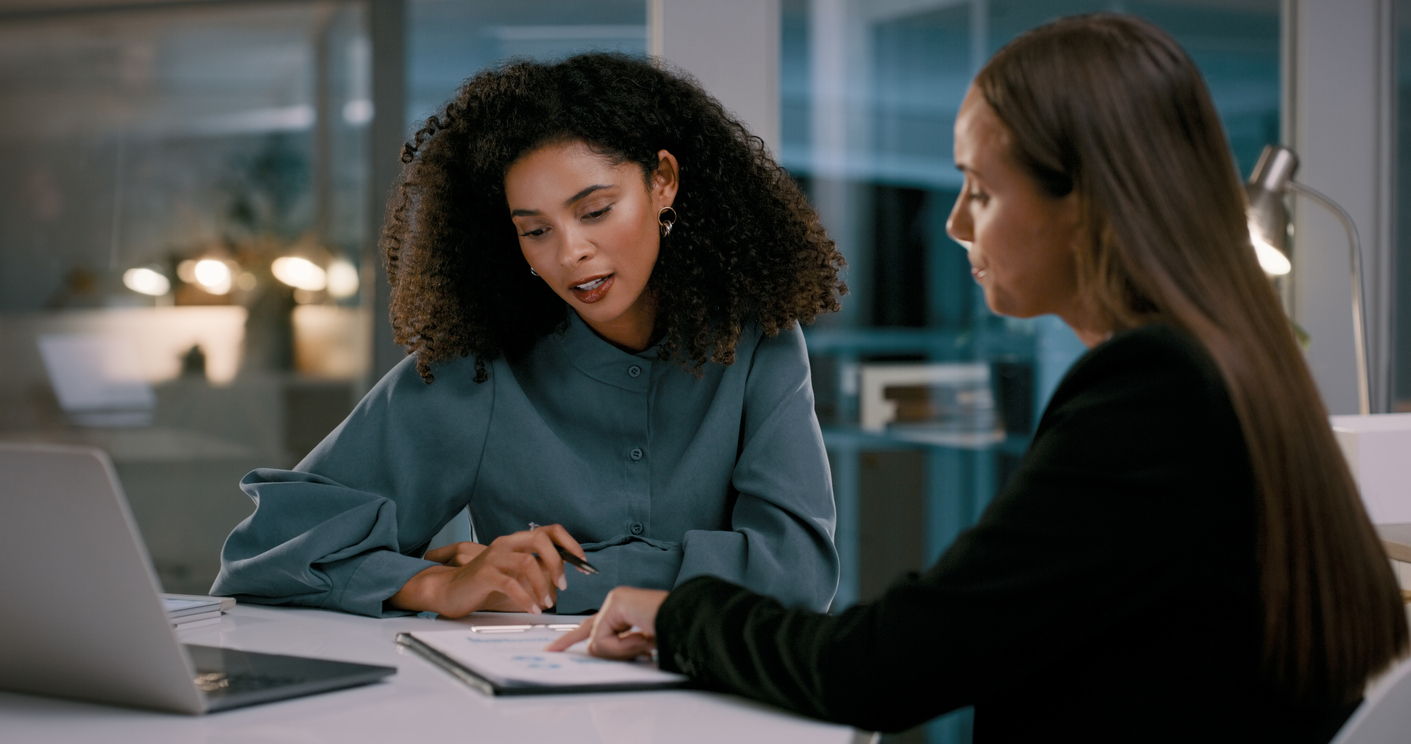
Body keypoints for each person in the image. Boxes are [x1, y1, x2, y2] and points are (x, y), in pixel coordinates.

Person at [551, 14, 1409, 742]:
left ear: (1088, 204)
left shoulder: (1156, 397)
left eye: (980, 190)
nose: (956, 223)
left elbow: (888, 668)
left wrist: (680, 615)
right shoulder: (1224, 368)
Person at [211, 53, 846, 618]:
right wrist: (431, 585)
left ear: (662, 182)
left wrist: (557, 579)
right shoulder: (484, 369)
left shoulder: (758, 340)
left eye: (595, 211)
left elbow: (796, 576)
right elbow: (265, 550)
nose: (571, 252)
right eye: (535, 230)